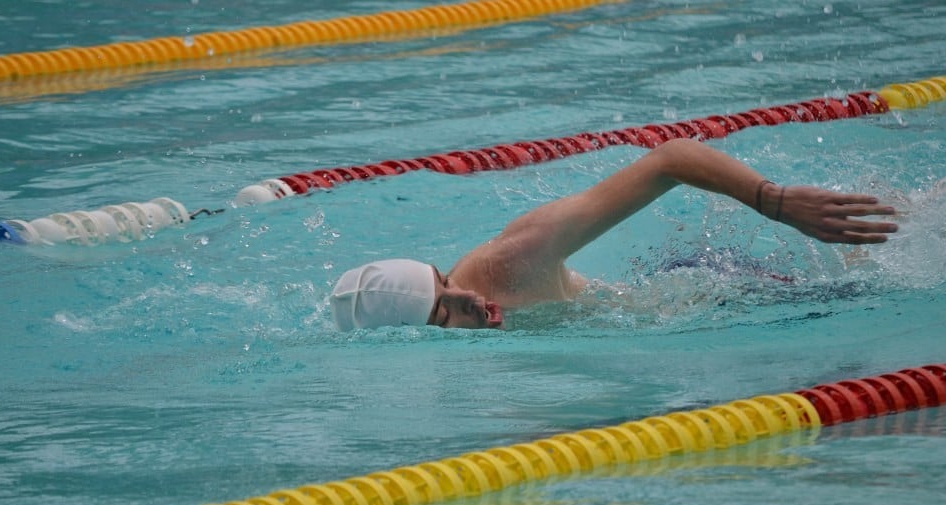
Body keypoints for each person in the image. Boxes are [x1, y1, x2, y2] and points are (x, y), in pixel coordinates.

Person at [330, 138, 899, 331]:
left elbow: (670, 159)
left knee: (874, 282)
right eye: (444, 314)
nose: (470, 302)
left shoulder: (511, 263)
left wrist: (773, 201)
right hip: (671, 300)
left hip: (706, 292)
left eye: (445, 283)